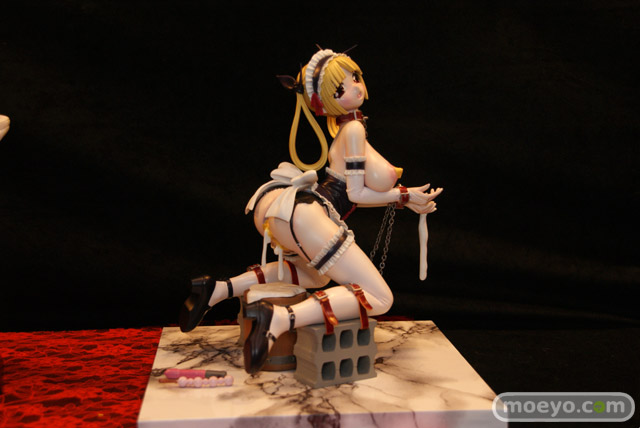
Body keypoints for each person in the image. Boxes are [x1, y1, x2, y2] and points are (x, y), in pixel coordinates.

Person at [179, 48, 442, 374]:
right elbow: (356, 193)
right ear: (326, 102)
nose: (355, 87)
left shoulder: (348, 130)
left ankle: (218, 289)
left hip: (287, 211)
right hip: (309, 215)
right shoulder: (354, 131)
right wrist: (403, 196)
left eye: (355, 77)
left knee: (315, 275)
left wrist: (405, 197)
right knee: (379, 298)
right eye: (340, 88)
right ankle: (280, 319)